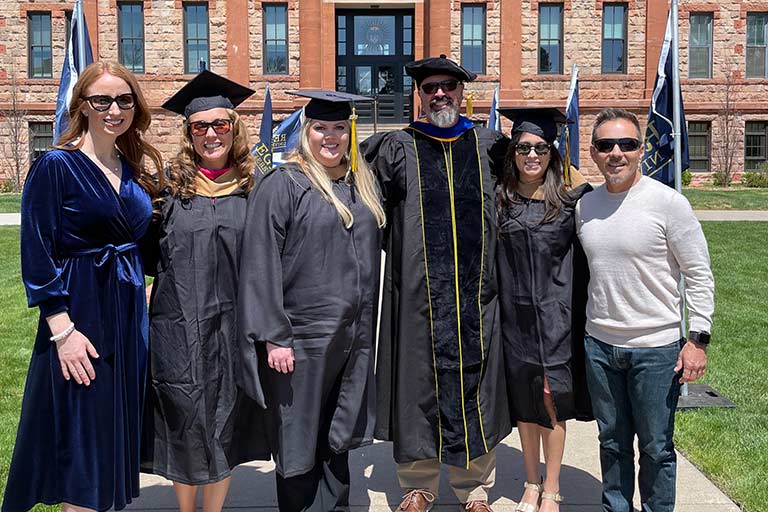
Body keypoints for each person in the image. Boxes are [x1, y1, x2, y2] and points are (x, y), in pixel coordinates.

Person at [2, 61, 162, 512]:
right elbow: (36, 253)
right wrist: (62, 331)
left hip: (128, 319)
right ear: (83, 106)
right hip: (80, 316)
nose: (114, 109)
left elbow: (143, 243)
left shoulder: (129, 167)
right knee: (84, 450)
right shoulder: (57, 164)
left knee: (110, 446)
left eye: (124, 100)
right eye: (103, 100)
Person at [361, 55, 510, 512]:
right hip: (417, 297)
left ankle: (474, 489)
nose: (440, 94)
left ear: (463, 92)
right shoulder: (394, 147)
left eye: (448, 86)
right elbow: (360, 202)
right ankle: (418, 485)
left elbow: (533, 189)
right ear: (419, 95)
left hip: (477, 298)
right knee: (417, 384)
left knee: (476, 386)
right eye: (430, 88)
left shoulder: (490, 146)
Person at [238, 90, 386, 512]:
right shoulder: (284, 184)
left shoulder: (361, 184)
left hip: (351, 338)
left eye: (340, 127)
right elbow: (260, 262)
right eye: (321, 127)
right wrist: (273, 335)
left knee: (337, 436)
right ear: (305, 132)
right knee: (298, 439)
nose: (331, 137)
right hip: (300, 340)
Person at [140, 70, 268, 512]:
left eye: (220, 125)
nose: (211, 134)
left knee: (226, 417)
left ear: (234, 128)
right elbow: (144, 252)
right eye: (200, 126)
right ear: (188, 132)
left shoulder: (256, 189)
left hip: (234, 325)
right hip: (179, 324)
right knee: (182, 415)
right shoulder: (166, 191)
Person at [576, 108, 714, 512]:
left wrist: (698, 340)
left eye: (627, 144)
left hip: (656, 351)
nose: (616, 153)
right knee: (611, 443)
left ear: (640, 150)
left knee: (655, 447)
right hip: (600, 346)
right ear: (594, 152)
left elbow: (699, 274)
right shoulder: (586, 206)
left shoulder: (668, 203)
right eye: (605, 145)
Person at [495, 108, 593, 512]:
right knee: (524, 402)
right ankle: (530, 482)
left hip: (556, 317)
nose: (531, 155)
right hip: (513, 317)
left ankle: (552, 486)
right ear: (513, 152)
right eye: (523, 148)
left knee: (551, 399)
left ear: (552, 153)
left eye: (539, 148)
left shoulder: (573, 202)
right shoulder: (500, 200)